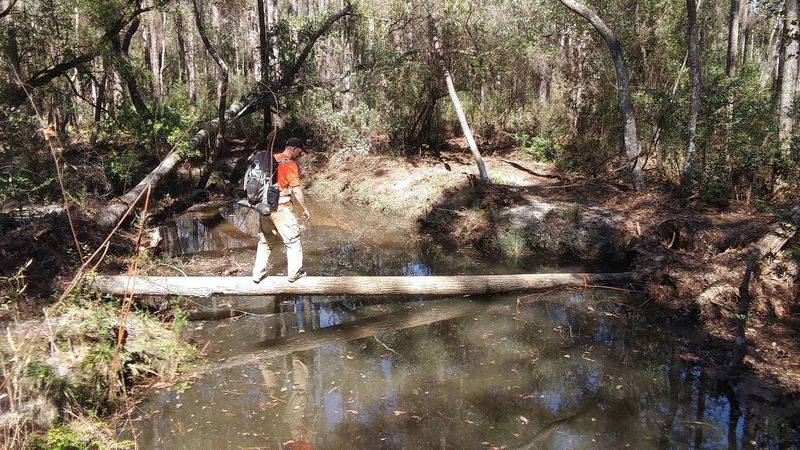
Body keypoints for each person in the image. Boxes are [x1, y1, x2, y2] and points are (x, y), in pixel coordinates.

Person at [251, 137, 310, 283]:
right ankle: (294, 274)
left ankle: (258, 274)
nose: (300, 155)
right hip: (281, 208)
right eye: (300, 152)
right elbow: (296, 190)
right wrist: (305, 208)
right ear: (294, 149)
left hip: (264, 207)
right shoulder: (289, 164)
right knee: (293, 241)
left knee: (265, 241)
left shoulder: (271, 159)